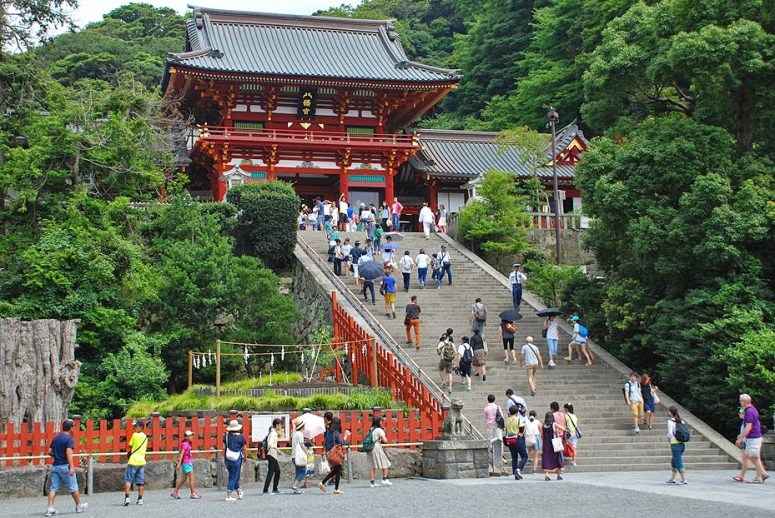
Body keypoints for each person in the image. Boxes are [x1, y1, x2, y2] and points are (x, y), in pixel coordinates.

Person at [45, 419, 88, 517]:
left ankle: (50, 508)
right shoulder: (69, 439)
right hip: (65, 466)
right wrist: (72, 467)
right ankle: (78, 506)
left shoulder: (56, 438)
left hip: (55, 465)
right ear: (71, 428)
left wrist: (57, 456)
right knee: (73, 487)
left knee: (54, 487)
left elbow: (49, 451)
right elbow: (69, 454)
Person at [734, 394, 769, 484]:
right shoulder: (753, 409)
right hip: (753, 437)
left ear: (744, 402)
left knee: (753, 456)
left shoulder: (749, 411)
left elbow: (748, 427)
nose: (740, 402)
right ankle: (759, 476)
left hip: (753, 437)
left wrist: (740, 439)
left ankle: (762, 474)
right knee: (750, 455)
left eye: (740, 401)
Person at [318, 417, 350, 495]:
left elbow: (325, 443)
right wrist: (346, 435)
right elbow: (342, 442)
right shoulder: (336, 433)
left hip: (330, 453)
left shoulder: (328, 432)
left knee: (337, 470)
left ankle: (336, 488)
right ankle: (323, 483)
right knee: (336, 470)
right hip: (335, 454)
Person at [124, 419, 148, 506]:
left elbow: (130, 445)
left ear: (141, 427)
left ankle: (127, 498)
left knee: (128, 480)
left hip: (133, 460)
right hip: (141, 461)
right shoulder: (145, 437)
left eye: (136, 426)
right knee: (140, 481)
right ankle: (140, 499)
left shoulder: (134, 435)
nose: (134, 427)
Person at [171, 430, 201, 500]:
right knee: (191, 478)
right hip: (186, 463)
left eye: (192, 435)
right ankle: (193, 493)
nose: (192, 437)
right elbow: (182, 454)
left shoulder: (187, 444)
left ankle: (175, 492)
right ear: (186, 437)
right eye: (190, 436)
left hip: (187, 462)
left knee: (183, 479)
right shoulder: (185, 444)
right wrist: (179, 464)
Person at [223, 419, 247, 501]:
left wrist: (224, 457)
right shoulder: (241, 437)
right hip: (236, 458)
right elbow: (244, 449)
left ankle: (239, 492)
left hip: (227, 458)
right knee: (234, 476)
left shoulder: (226, 436)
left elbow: (224, 448)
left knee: (233, 475)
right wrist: (245, 457)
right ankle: (228, 495)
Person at [366, 416, 393, 487]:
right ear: (379, 422)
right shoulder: (379, 430)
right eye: (381, 421)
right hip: (376, 448)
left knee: (371, 465)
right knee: (385, 462)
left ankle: (372, 482)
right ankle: (384, 478)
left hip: (369, 448)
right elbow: (385, 440)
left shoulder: (370, 429)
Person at [666, 406, 688, 485]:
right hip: (682, 444)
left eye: (669, 411)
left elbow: (670, 434)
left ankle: (683, 479)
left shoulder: (670, 422)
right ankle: (672, 478)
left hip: (675, 444)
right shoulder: (681, 421)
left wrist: (668, 439)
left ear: (671, 412)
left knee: (678, 462)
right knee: (674, 461)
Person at [505, 406, 528, 480]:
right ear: (517, 412)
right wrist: (521, 433)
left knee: (514, 457)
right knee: (524, 456)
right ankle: (518, 469)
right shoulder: (518, 419)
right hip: (517, 439)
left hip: (510, 440)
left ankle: (515, 472)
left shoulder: (507, 420)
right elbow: (521, 429)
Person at [262, 418, 283, 495]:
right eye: (280, 424)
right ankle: (265, 490)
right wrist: (277, 449)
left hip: (272, 454)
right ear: (277, 425)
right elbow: (270, 444)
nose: (281, 426)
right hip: (272, 454)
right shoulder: (273, 433)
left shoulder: (272, 432)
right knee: (271, 472)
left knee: (277, 471)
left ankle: (275, 488)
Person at [541, 412, 565, 480]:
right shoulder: (554, 424)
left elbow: (542, 436)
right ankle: (558, 474)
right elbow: (563, 428)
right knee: (556, 458)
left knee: (547, 459)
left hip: (546, 444)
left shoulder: (543, 425)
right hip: (554, 444)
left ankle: (546, 475)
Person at [291, 418, 308, 494]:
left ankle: (296, 488)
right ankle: (295, 486)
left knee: (298, 471)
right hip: (299, 456)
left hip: (294, 455)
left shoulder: (294, 433)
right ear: (302, 426)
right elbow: (302, 445)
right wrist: (306, 452)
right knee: (303, 471)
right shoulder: (300, 434)